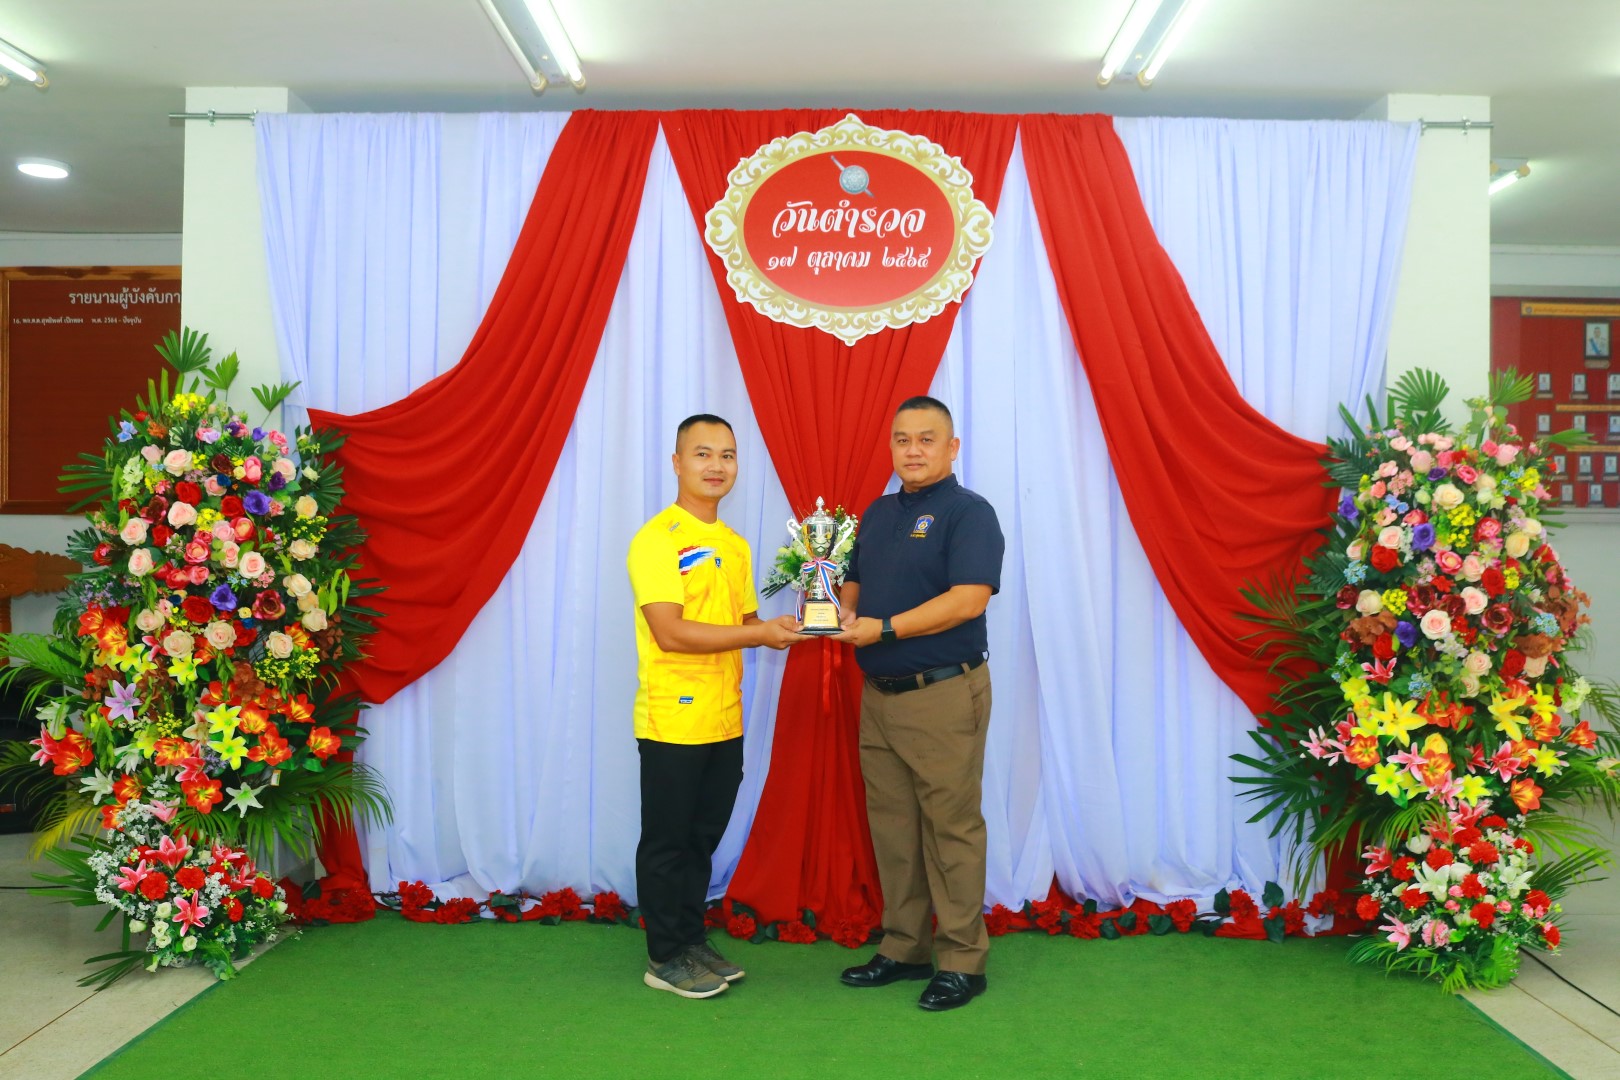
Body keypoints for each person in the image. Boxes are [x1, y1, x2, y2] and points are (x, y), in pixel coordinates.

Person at [832, 396, 1005, 1012]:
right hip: (880, 697)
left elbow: (969, 599)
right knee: (894, 829)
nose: (913, 450)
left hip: (943, 694)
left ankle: (962, 961)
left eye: (927, 439)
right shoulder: (878, 513)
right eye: (902, 439)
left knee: (951, 829)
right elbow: (856, 577)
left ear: (952, 448)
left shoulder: (969, 513)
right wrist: (844, 610)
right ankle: (904, 947)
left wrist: (882, 629)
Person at [627, 413, 808, 999]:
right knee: (667, 841)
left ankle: (689, 938)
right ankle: (664, 956)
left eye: (727, 455)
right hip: (673, 718)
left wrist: (794, 621)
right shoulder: (658, 539)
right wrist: (758, 634)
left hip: (724, 716)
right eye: (703, 454)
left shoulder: (733, 545)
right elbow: (670, 632)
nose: (716, 466)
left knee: (701, 838)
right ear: (677, 463)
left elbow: (745, 622)